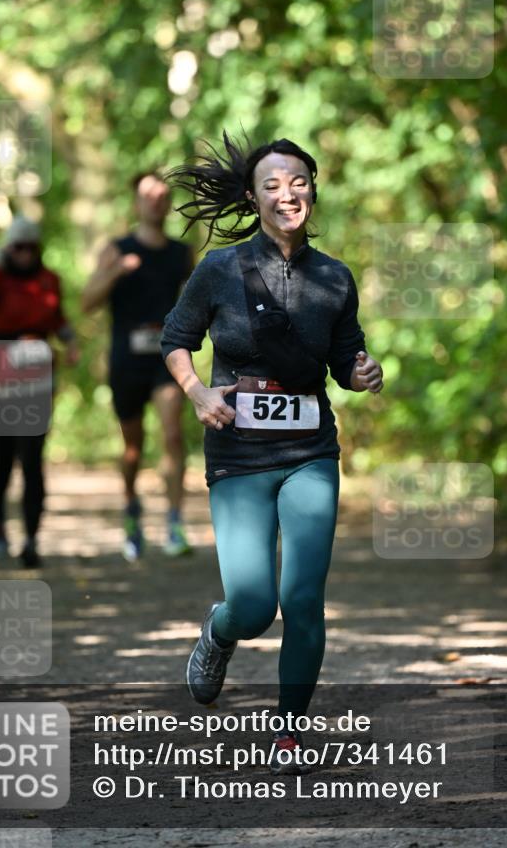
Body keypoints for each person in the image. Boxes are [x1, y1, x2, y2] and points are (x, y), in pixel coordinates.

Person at [161, 132, 383, 775]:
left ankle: (289, 733)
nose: (288, 194)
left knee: (305, 598)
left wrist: (363, 371)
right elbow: (176, 340)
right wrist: (199, 393)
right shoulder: (220, 270)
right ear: (254, 197)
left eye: (299, 182)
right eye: (273, 185)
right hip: (237, 450)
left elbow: (346, 359)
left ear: (314, 187)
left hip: (311, 449)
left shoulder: (335, 276)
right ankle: (219, 631)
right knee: (255, 606)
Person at [82, 171, 194, 561]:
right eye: (149, 194)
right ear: (136, 202)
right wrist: (116, 271)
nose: (157, 201)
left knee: (173, 433)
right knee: (133, 447)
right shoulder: (116, 248)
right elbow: (86, 301)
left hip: (168, 358)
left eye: (163, 194)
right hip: (126, 360)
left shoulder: (181, 253)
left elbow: (197, 304)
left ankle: (175, 523)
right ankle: (131, 507)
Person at [0, 216, 78, 568]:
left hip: (36, 375)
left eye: (31, 247)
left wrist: (70, 342)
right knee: (2, 457)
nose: (25, 254)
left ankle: (31, 539)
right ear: (8, 248)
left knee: (32, 458)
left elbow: (57, 319)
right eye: (18, 247)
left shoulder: (48, 280)